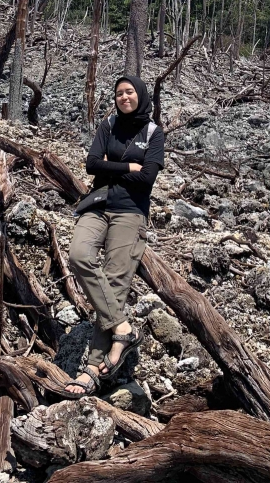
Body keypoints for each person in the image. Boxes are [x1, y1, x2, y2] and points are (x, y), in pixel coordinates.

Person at [60, 75, 165, 397]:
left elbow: (148, 177)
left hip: (131, 213)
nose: (124, 97)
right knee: (79, 255)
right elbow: (92, 165)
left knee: (116, 280)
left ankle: (93, 367)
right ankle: (123, 328)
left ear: (141, 95)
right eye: (119, 93)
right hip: (99, 204)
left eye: (129, 92)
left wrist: (115, 166)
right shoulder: (108, 125)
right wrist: (128, 168)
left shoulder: (152, 133)